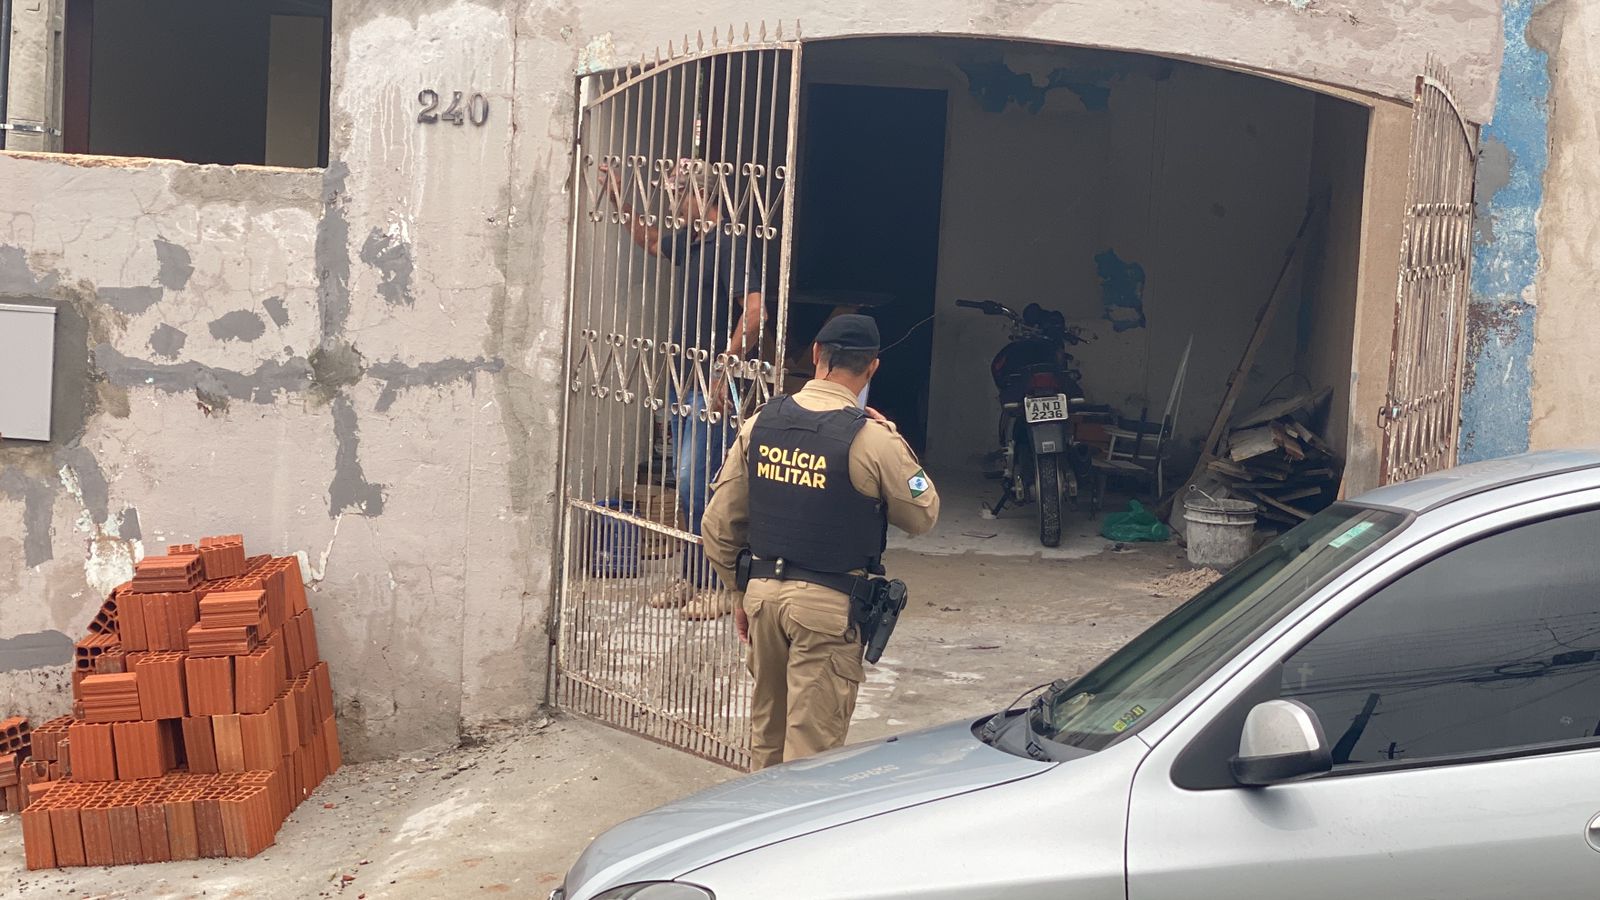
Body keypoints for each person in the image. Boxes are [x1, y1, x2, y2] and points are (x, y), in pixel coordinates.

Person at [701, 315, 940, 769]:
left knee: (767, 739)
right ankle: (790, 838)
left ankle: (757, 835)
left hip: (763, 602)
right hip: (827, 611)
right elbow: (923, 512)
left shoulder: (760, 425)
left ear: (815, 354)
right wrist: (896, 444)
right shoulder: (872, 438)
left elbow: (718, 524)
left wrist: (739, 593)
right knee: (811, 756)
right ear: (872, 368)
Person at [599, 159, 772, 620]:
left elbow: (755, 313)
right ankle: (693, 576)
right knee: (687, 483)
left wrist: (723, 370)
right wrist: (619, 198)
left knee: (705, 484)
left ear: (703, 197)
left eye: (679, 196)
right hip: (683, 381)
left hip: (709, 385)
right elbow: (650, 239)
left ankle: (722, 584)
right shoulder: (695, 243)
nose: (674, 205)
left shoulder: (730, 242)